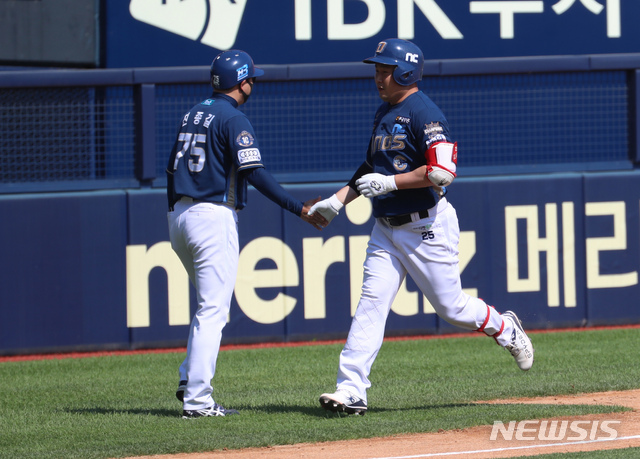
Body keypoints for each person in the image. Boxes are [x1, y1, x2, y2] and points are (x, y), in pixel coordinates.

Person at [310, 39, 534, 416]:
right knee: (371, 304)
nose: (378, 76)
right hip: (385, 228)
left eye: (385, 69)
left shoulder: (424, 112)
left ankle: (504, 326)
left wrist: (392, 183)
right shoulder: (385, 111)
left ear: (406, 72)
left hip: (425, 225)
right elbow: (370, 167)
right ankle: (351, 390)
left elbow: (443, 172)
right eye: (378, 69)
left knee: (452, 307)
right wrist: (337, 202)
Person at [167, 50, 327, 419]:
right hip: (211, 215)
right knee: (213, 311)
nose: (253, 83)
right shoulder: (233, 118)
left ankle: (188, 378)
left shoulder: (192, 113)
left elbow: (169, 168)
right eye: (251, 78)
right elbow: (255, 173)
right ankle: (198, 401)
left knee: (207, 306)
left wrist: (173, 215)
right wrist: (298, 207)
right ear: (241, 82)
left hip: (179, 214)